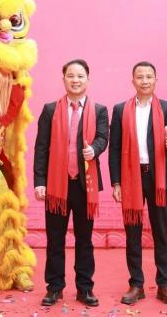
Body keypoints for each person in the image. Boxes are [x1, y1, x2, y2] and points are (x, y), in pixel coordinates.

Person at [33, 59, 109, 307]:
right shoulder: (50, 110)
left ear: (88, 79)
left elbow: (103, 137)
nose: (76, 80)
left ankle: (85, 289)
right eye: (71, 76)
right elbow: (41, 148)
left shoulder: (99, 110)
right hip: (57, 184)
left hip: (84, 185)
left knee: (84, 240)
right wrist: (40, 181)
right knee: (55, 239)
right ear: (64, 79)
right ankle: (54, 288)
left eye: (80, 76)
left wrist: (94, 150)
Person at [108, 61, 167, 306]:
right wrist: (116, 182)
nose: (145, 81)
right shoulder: (121, 110)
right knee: (133, 233)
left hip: (159, 178)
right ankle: (136, 284)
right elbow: (114, 148)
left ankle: (164, 284)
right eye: (140, 77)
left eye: (149, 76)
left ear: (156, 80)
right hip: (131, 177)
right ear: (133, 81)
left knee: (161, 232)